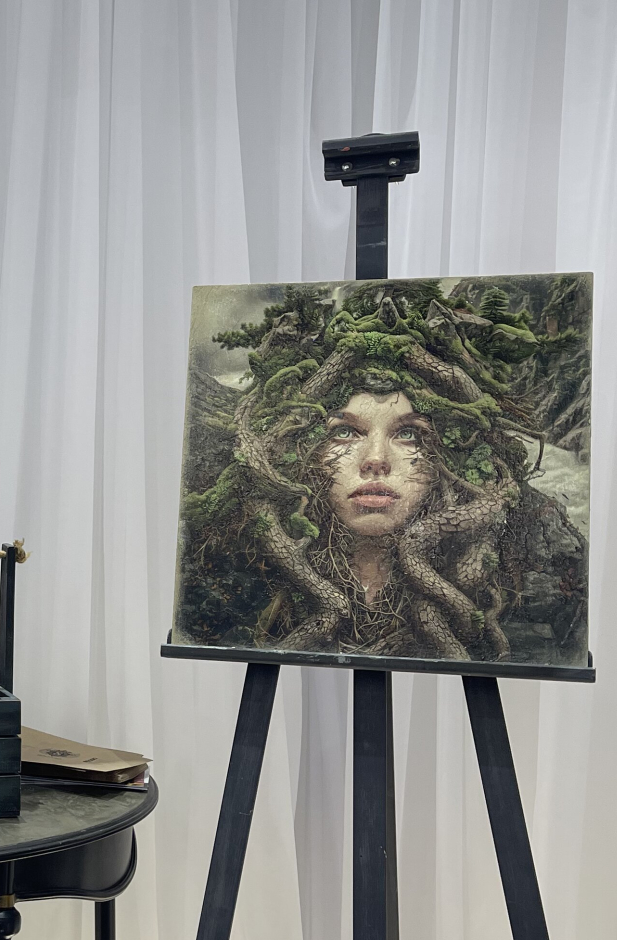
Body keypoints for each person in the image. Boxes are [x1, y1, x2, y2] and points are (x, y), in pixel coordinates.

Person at [174, 277, 589, 665]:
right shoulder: (233, 576)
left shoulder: (534, 570)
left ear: (450, 457)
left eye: (409, 434)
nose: (376, 459)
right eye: (344, 432)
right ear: (302, 451)